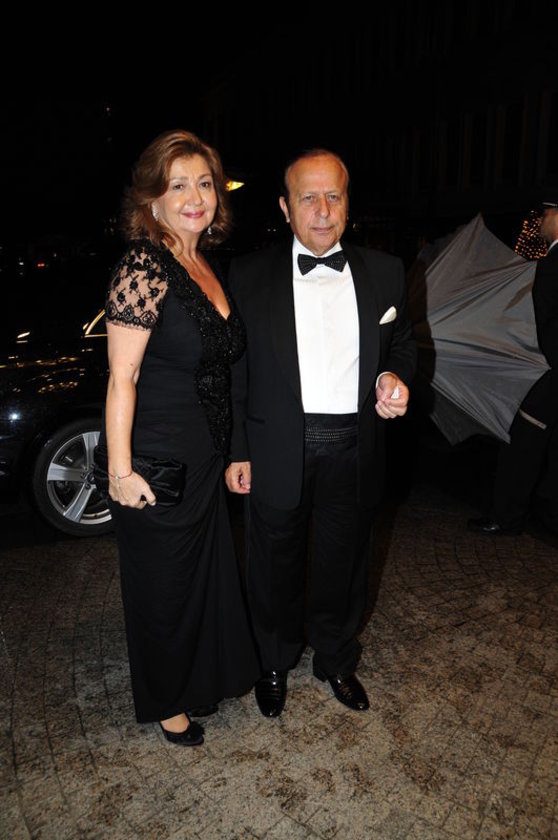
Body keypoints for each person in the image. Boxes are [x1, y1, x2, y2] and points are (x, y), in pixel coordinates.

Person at [225, 149, 416, 717]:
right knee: (272, 563)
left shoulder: (386, 271)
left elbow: (402, 345)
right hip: (277, 445)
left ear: (347, 203)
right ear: (286, 208)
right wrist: (238, 450)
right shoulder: (248, 275)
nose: (323, 210)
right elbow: (235, 372)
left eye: (334, 196)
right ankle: (274, 659)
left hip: (355, 445)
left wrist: (391, 378)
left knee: (345, 563)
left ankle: (335, 658)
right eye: (309, 197)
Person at [100, 129, 259, 746]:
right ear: (152, 199)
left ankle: (198, 678)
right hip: (158, 458)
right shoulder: (144, 265)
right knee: (164, 587)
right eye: (178, 186)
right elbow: (122, 376)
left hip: (204, 456)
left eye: (205, 184)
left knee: (200, 578)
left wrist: (234, 451)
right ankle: (167, 700)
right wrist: (120, 472)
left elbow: (223, 369)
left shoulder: (202, 263)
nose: (196, 198)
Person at [468, 195, 558, 536]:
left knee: (521, 445)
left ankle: (507, 516)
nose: (541, 221)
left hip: (545, 375)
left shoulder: (551, 265)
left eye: (546, 214)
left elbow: (537, 324)